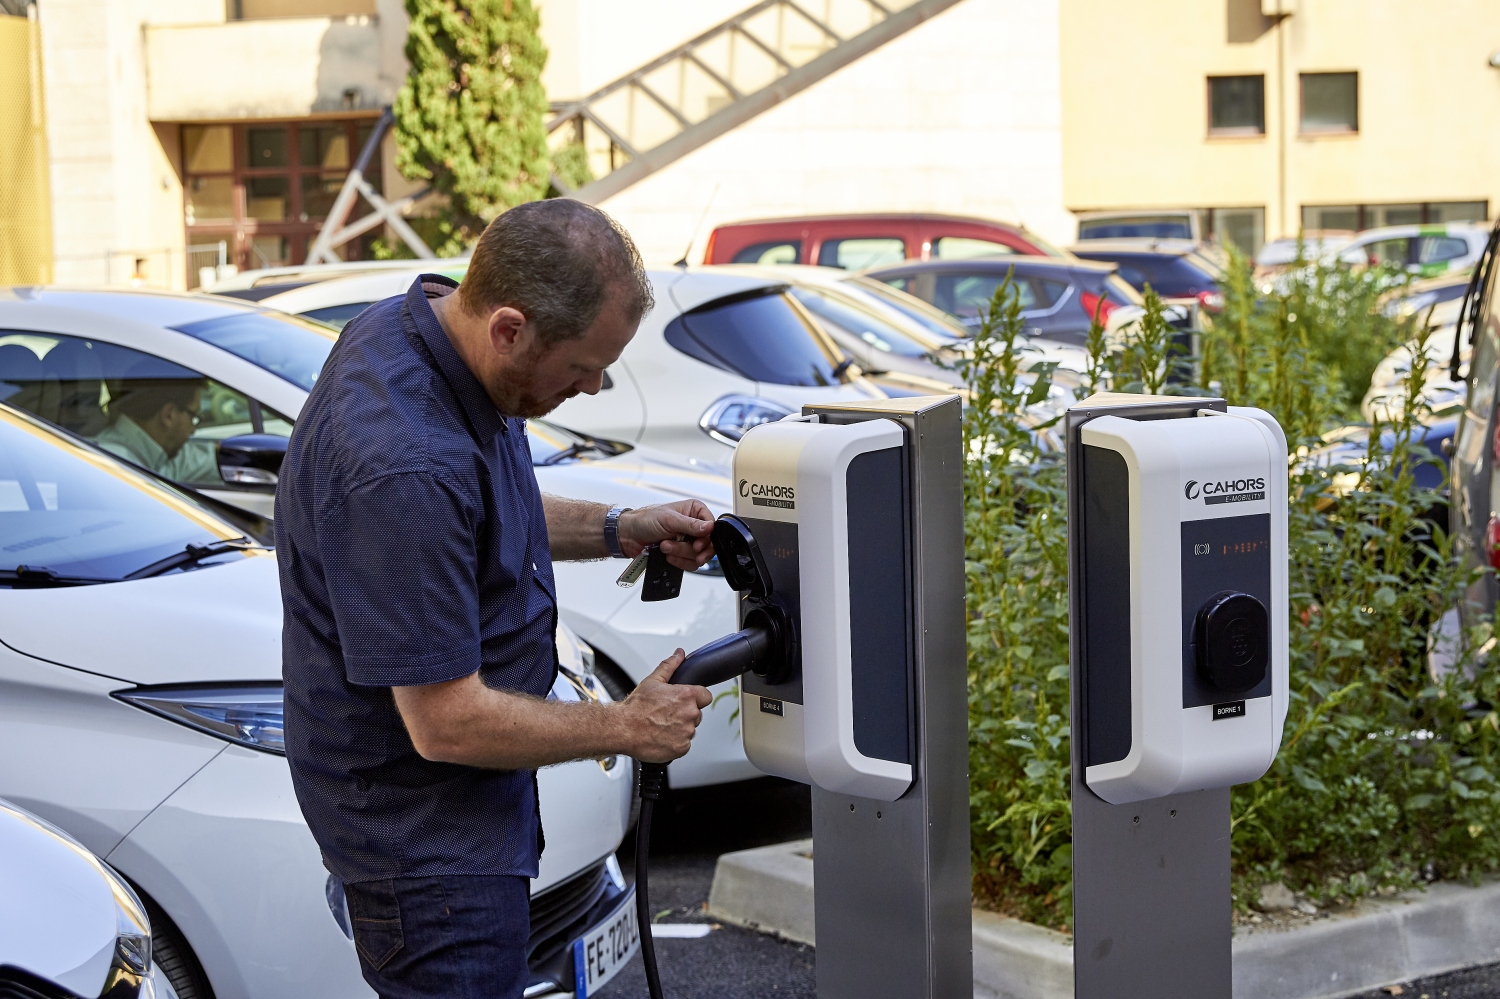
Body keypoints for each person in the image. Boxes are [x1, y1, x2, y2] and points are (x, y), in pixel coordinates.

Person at [275, 199, 717, 999]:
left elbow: (477, 512)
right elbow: (445, 722)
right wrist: (628, 724)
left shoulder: (422, 332)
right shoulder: (403, 462)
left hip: (461, 822)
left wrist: (622, 527)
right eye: (581, 368)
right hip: (429, 860)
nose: (592, 387)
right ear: (508, 327)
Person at [96, 375, 219, 483]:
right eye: (193, 417)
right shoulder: (119, 468)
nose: (193, 429)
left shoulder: (147, 456)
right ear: (169, 415)